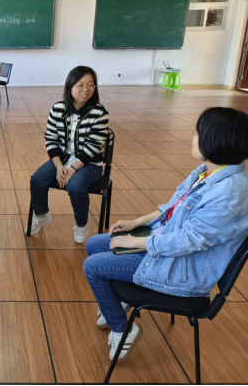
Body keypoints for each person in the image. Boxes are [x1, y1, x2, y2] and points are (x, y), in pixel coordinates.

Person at [83, 106, 248, 362]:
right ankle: (117, 301)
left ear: (216, 140)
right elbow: (173, 208)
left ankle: (122, 330)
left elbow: (189, 240)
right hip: (170, 248)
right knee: (95, 244)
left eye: (198, 133)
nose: (193, 138)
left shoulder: (229, 193)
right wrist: (136, 223)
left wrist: (139, 242)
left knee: (93, 267)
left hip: (183, 269)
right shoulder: (207, 171)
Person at [27, 66, 109, 243]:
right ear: (70, 86)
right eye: (80, 85)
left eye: (91, 85)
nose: (86, 89)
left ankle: (81, 225)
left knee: (75, 187)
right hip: (62, 159)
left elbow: (93, 147)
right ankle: (41, 215)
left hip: (90, 164)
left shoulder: (99, 112)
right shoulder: (58, 108)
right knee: (37, 180)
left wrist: (71, 170)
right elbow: (51, 138)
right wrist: (58, 166)